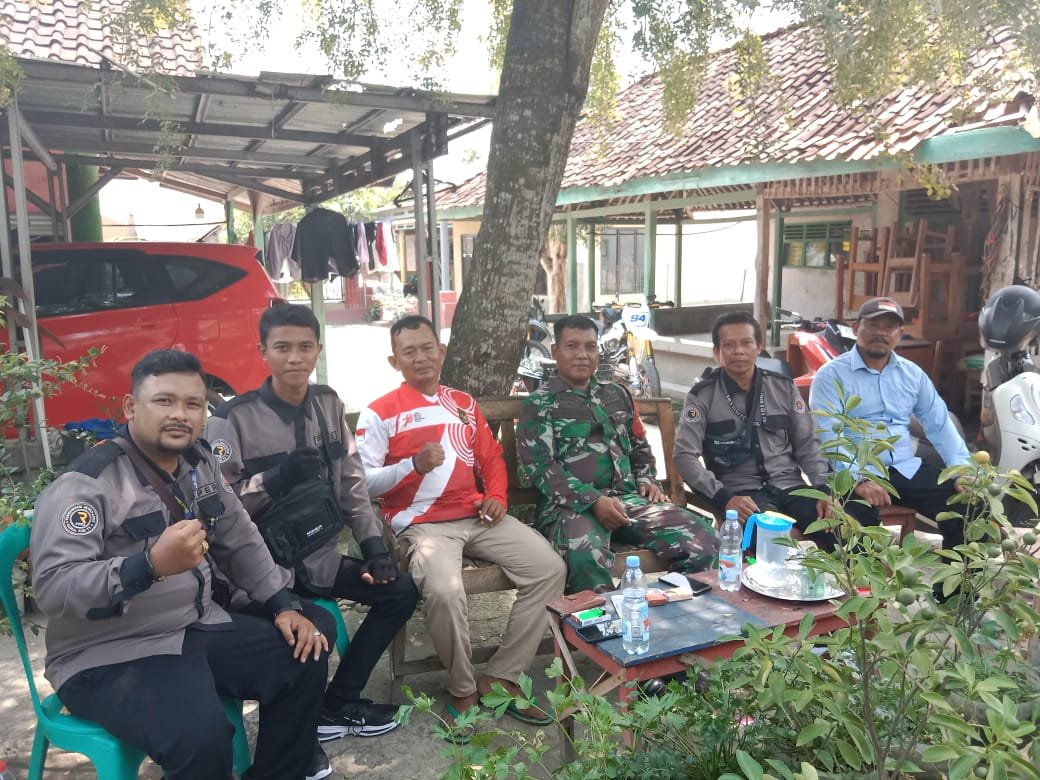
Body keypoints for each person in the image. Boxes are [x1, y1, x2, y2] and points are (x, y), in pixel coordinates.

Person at [31, 349, 335, 780]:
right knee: (202, 738)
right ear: (131, 407)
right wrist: (148, 565)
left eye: (193, 404)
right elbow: (53, 588)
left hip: (192, 625)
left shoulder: (199, 462)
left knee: (306, 650)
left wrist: (282, 603)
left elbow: (239, 537)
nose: (180, 414)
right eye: (164, 401)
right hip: (109, 653)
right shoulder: (87, 484)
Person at [206, 304, 418, 742]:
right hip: (259, 572)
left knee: (399, 590)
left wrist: (374, 549)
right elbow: (218, 510)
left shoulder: (327, 403)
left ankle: (338, 703)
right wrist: (274, 480)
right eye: (282, 347)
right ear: (263, 351)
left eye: (305, 347)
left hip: (318, 558)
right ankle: (296, 732)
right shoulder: (231, 420)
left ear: (318, 350)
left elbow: (351, 482)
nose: (295, 358)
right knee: (306, 630)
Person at [355, 315, 565, 732]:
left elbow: (490, 458)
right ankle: (463, 687)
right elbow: (363, 481)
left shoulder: (463, 404)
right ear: (395, 361)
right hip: (422, 525)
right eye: (409, 352)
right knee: (445, 591)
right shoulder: (379, 412)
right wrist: (412, 465)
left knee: (549, 569)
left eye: (426, 348)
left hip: (478, 516)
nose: (420, 357)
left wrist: (497, 497)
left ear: (441, 351)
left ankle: (502, 678)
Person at [517, 315, 718, 593]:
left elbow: (639, 446)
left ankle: (663, 607)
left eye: (590, 347)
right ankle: (601, 619)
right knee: (584, 556)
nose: (582, 354)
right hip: (570, 508)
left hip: (628, 500)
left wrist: (646, 480)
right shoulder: (539, 404)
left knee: (704, 539)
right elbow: (542, 468)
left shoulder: (617, 394)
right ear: (555, 351)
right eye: (572, 346)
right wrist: (593, 501)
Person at [809, 296, 968, 549]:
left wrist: (962, 470)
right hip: (854, 470)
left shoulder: (912, 374)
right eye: (873, 325)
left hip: (905, 468)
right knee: (853, 525)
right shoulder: (830, 375)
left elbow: (939, 424)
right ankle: (862, 576)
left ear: (899, 333)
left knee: (969, 508)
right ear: (856, 327)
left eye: (889, 327)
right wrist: (858, 479)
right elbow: (827, 433)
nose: (881, 333)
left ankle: (958, 577)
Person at [673, 311, 838, 547]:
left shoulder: (782, 387)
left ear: (758, 347)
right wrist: (724, 498)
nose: (738, 351)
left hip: (791, 487)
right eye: (728, 345)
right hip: (743, 495)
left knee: (844, 530)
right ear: (717, 352)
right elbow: (684, 456)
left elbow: (808, 444)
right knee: (773, 542)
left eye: (746, 343)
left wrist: (823, 489)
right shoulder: (702, 396)